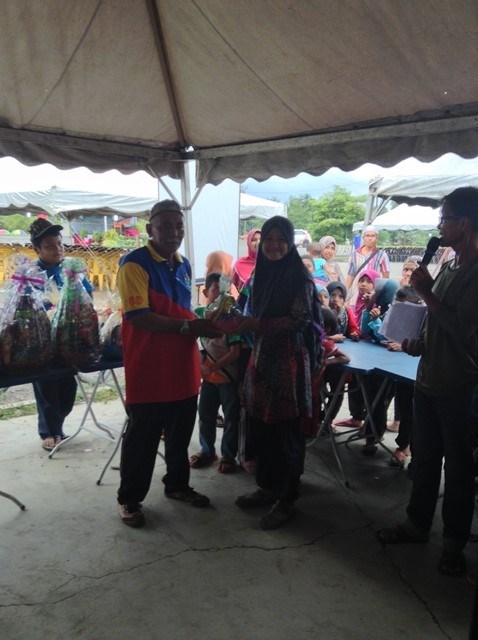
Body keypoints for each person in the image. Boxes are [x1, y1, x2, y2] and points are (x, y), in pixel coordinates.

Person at [378, 187, 478, 578]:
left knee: (458, 470)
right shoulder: (449, 267)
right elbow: (438, 322)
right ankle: (416, 524)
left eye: (444, 218)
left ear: (464, 223)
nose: (439, 226)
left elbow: (465, 330)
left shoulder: (475, 272)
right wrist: (418, 342)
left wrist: (425, 291)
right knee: (424, 460)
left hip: (460, 387)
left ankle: (453, 544)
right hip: (428, 380)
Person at [116, 199, 222, 528]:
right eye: (165, 226)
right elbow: (139, 316)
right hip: (149, 367)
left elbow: (181, 309)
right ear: (150, 229)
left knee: (179, 436)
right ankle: (129, 499)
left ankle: (177, 485)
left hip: (182, 366)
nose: (174, 232)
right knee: (143, 439)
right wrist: (190, 327)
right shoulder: (134, 264)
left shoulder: (184, 264)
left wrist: (208, 321)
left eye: (179, 226)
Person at [226, 216, 322, 530]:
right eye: (269, 239)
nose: (274, 245)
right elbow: (245, 306)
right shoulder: (260, 273)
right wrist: (228, 314)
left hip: (288, 367)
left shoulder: (299, 278)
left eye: (281, 239)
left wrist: (257, 324)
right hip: (261, 361)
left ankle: (286, 499)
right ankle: (267, 487)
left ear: (291, 243)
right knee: (262, 430)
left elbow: (301, 321)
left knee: (286, 434)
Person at [29, 218, 94, 452]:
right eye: (49, 246)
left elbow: (88, 296)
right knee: (47, 386)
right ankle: (49, 431)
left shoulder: (71, 268)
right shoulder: (32, 274)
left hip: (70, 341)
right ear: (37, 249)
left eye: (59, 244)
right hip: (44, 342)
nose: (57, 249)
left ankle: (58, 424)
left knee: (67, 388)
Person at [190, 272, 241, 473]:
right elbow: (192, 343)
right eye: (215, 290)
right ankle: (207, 451)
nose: (220, 294)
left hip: (228, 377)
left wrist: (211, 366)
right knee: (205, 416)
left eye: (224, 290)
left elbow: (235, 352)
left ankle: (228, 455)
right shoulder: (200, 315)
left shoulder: (232, 318)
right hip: (208, 378)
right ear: (205, 292)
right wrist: (202, 367)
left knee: (231, 418)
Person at [345, 225, 390, 296]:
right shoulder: (354, 255)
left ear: (377, 238)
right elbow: (350, 276)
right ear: (363, 238)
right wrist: (345, 292)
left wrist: (379, 294)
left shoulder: (382, 255)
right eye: (367, 236)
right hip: (356, 293)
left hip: (372, 294)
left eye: (373, 236)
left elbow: (385, 278)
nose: (370, 238)